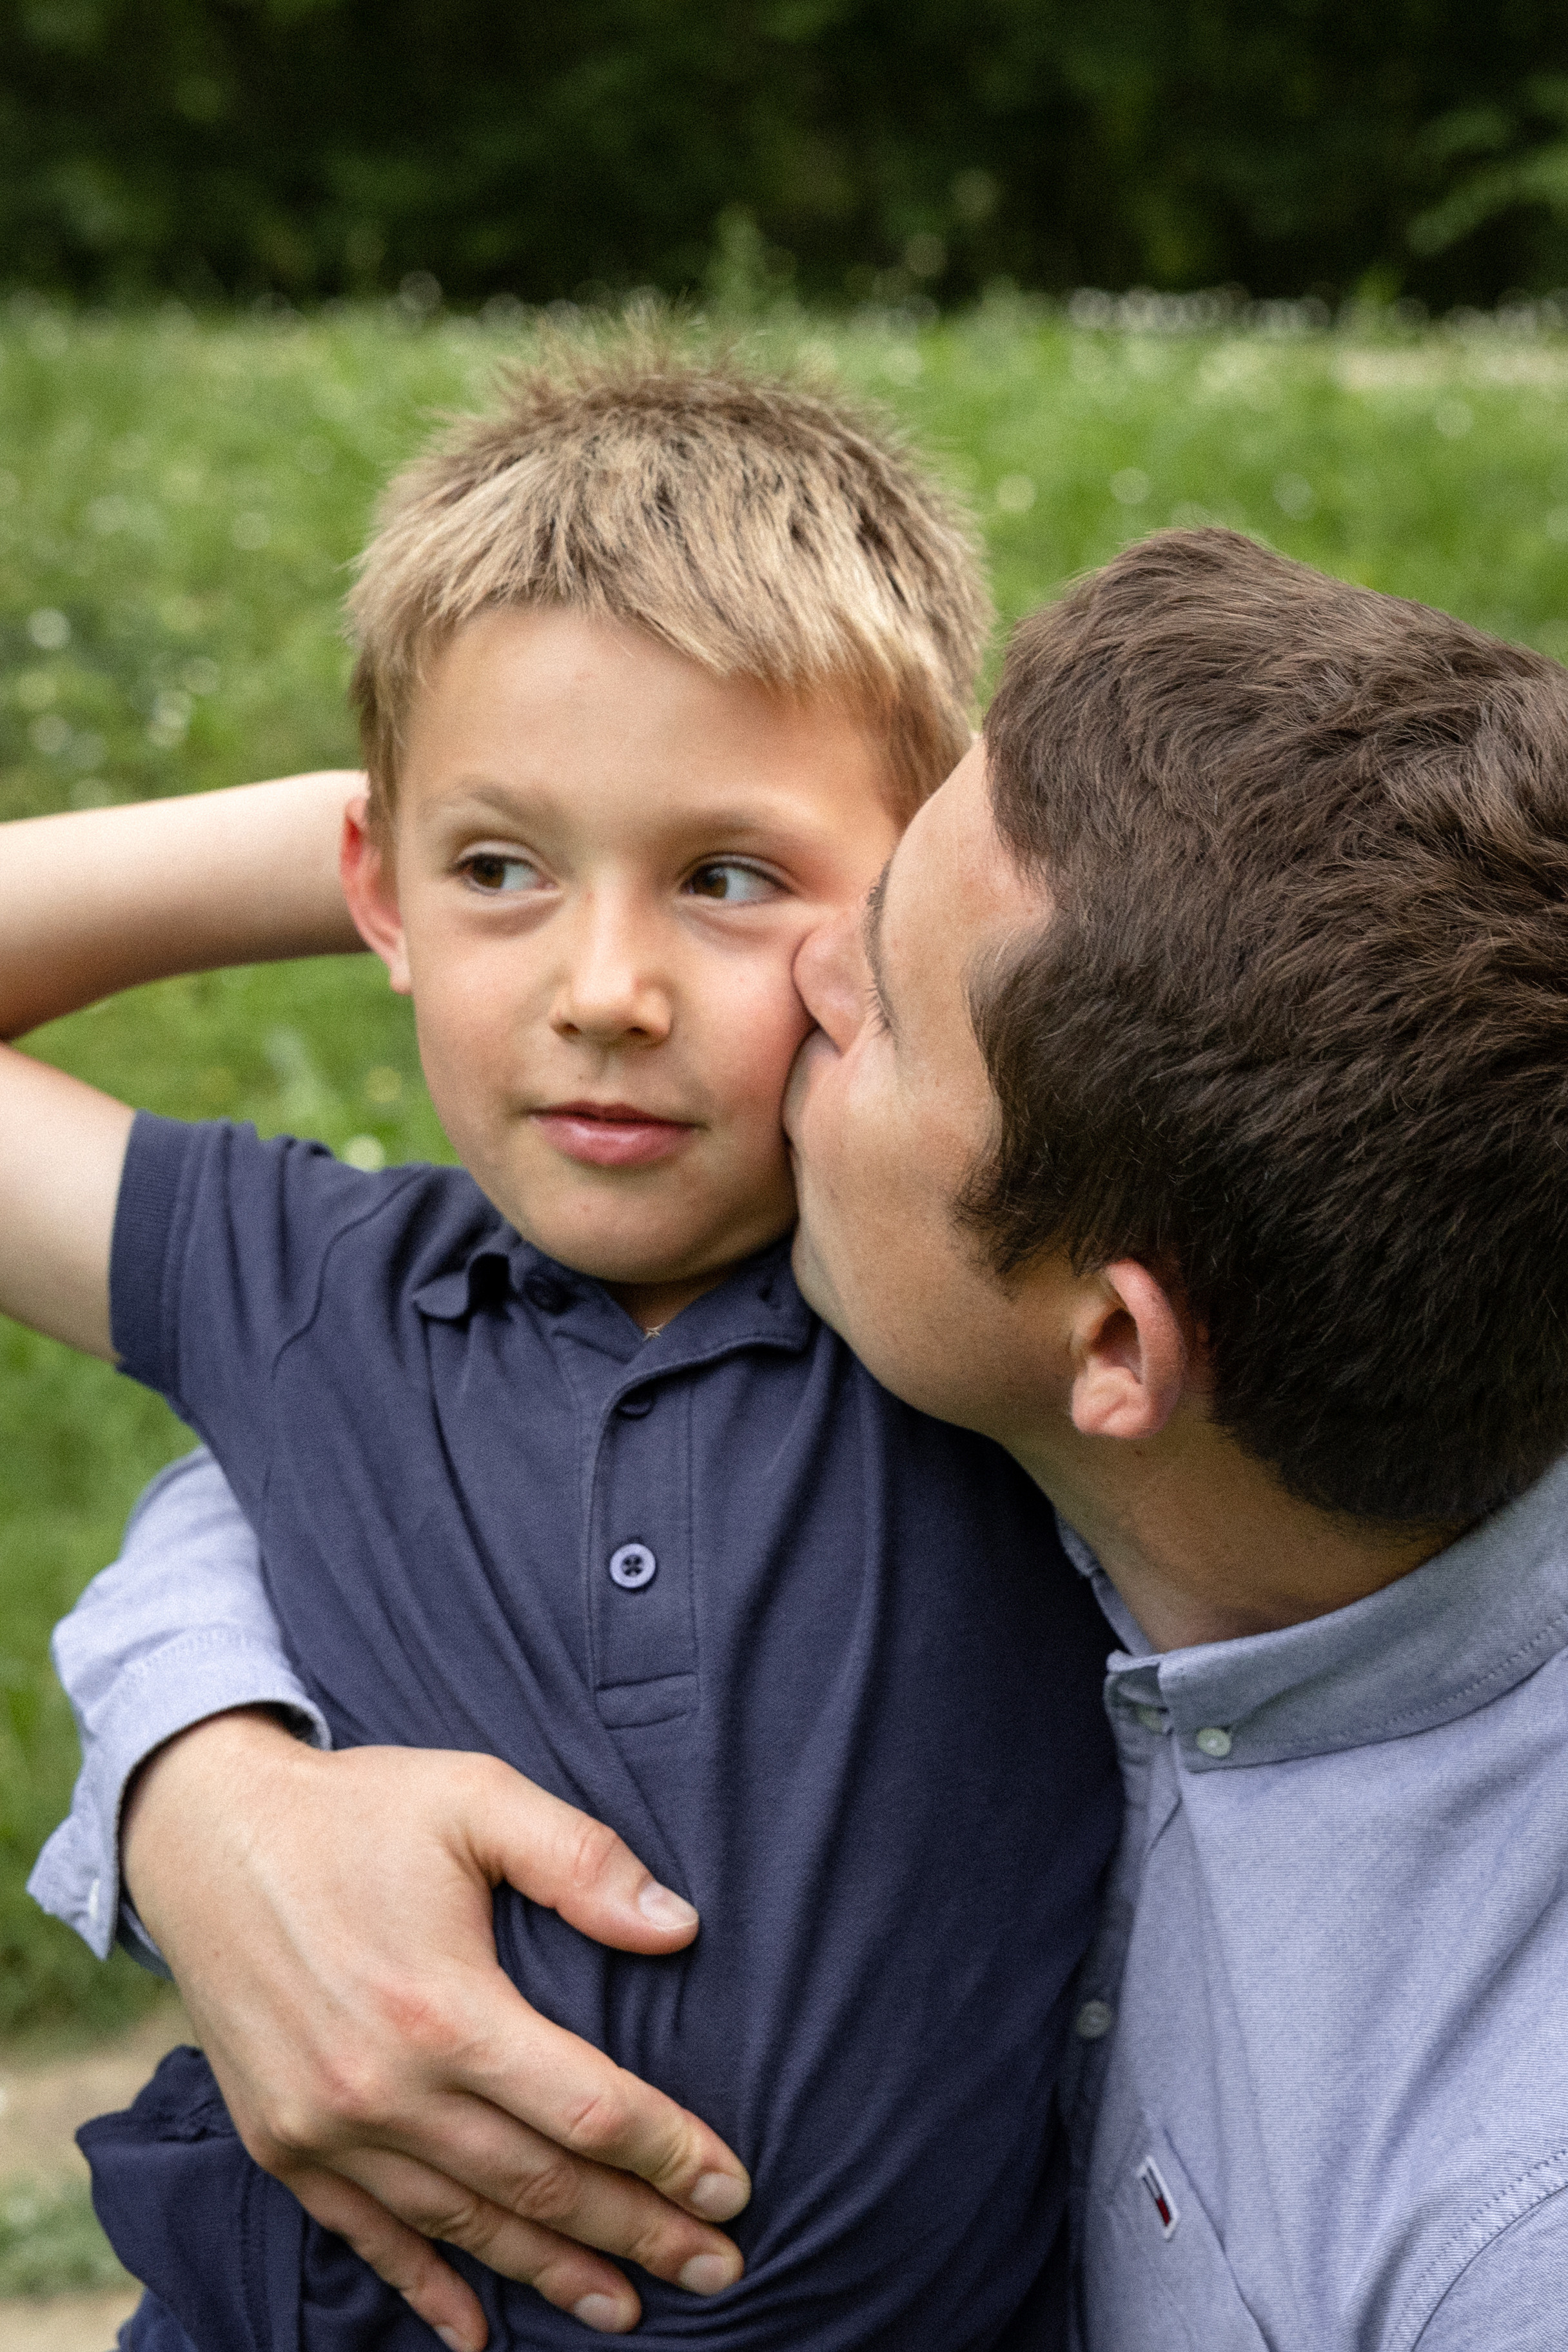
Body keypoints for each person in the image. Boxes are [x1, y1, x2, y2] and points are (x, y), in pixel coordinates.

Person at [52, 522, 1568, 2349]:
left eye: (883, 1003)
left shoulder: (1488, 2217)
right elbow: (396, 1431)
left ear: (1112, 1346)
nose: (794, 996)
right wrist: (204, 1774)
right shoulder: (1217, 1430)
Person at [2, 344, 1121, 2352]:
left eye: (725, 875)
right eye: (506, 873)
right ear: (383, 889)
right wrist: (392, 821)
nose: (603, 992)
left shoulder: (987, 1310)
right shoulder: (304, 1280)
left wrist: (500, 814)